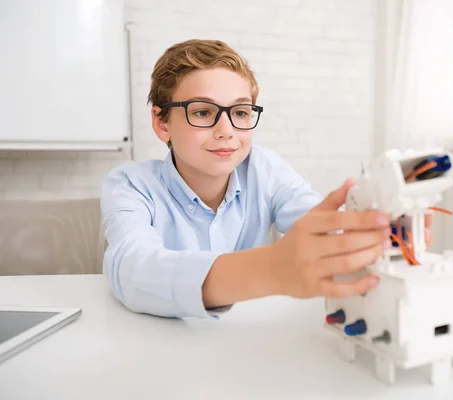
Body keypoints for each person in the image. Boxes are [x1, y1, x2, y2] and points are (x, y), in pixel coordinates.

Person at [101, 39, 429, 319]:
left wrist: (376, 229)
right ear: (162, 123)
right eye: (202, 112)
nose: (226, 130)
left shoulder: (264, 168)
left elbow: (320, 223)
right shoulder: (130, 184)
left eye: (240, 113)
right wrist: (270, 269)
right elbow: (131, 268)